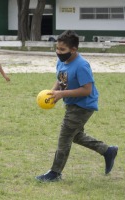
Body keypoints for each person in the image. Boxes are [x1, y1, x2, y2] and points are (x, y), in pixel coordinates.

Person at [35, 30, 118, 182]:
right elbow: (61, 80)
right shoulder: (61, 61)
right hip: (72, 104)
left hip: (84, 105)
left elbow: (87, 90)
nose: (58, 52)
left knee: (65, 137)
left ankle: (55, 173)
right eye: (57, 48)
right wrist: (53, 93)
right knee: (76, 135)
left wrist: (62, 95)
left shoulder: (81, 65)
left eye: (62, 49)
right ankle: (107, 151)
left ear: (73, 49)